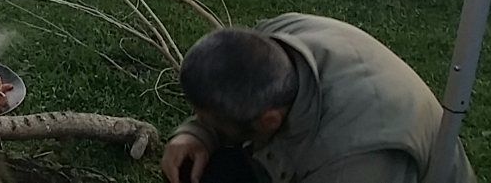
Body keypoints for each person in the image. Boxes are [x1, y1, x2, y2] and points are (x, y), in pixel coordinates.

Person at [161, 13, 475, 183]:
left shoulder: (354, 162)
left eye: (211, 120)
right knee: (198, 170)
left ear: (269, 120)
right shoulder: (279, 36)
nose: (202, 121)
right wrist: (195, 134)